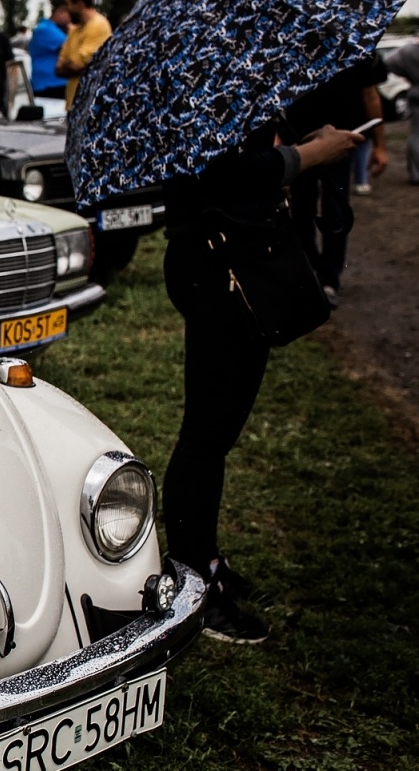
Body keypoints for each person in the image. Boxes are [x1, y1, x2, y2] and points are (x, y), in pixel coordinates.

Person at [161, 119, 363, 642]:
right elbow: (226, 173)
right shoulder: (196, 90)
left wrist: (296, 147)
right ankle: (192, 584)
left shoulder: (213, 88)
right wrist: (311, 154)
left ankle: (203, 559)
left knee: (217, 433)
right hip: (218, 264)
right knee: (206, 434)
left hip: (227, 257)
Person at [281, 55, 387, 304]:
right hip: (300, 143)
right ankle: (311, 271)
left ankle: (329, 278)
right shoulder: (289, 51)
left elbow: (371, 97)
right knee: (302, 209)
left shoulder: (352, 51)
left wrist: (380, 146)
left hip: (341, 142)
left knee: (336, 211)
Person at [55, 0, 112, 110]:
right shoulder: (74, 30)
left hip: (91, 105)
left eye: (69, 4)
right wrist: (70, 64)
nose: (67, 9)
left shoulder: (98, 26)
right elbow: (59, 66)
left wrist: (70, 64)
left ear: (80, 4)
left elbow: (76, 65)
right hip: (73, 104)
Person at [383, 40, 419, 184]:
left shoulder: (409, 50)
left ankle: (417, 173)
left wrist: (409, 75)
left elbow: (388, 62)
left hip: (417, 91)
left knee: (417, 134)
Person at [29, 3, 70, 99]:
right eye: (70, 15)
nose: (70, 19)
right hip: (51, 84)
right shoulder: (46, 29)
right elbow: (70, 48)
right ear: (61, 12)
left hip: (53, 83)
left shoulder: (50, 28)